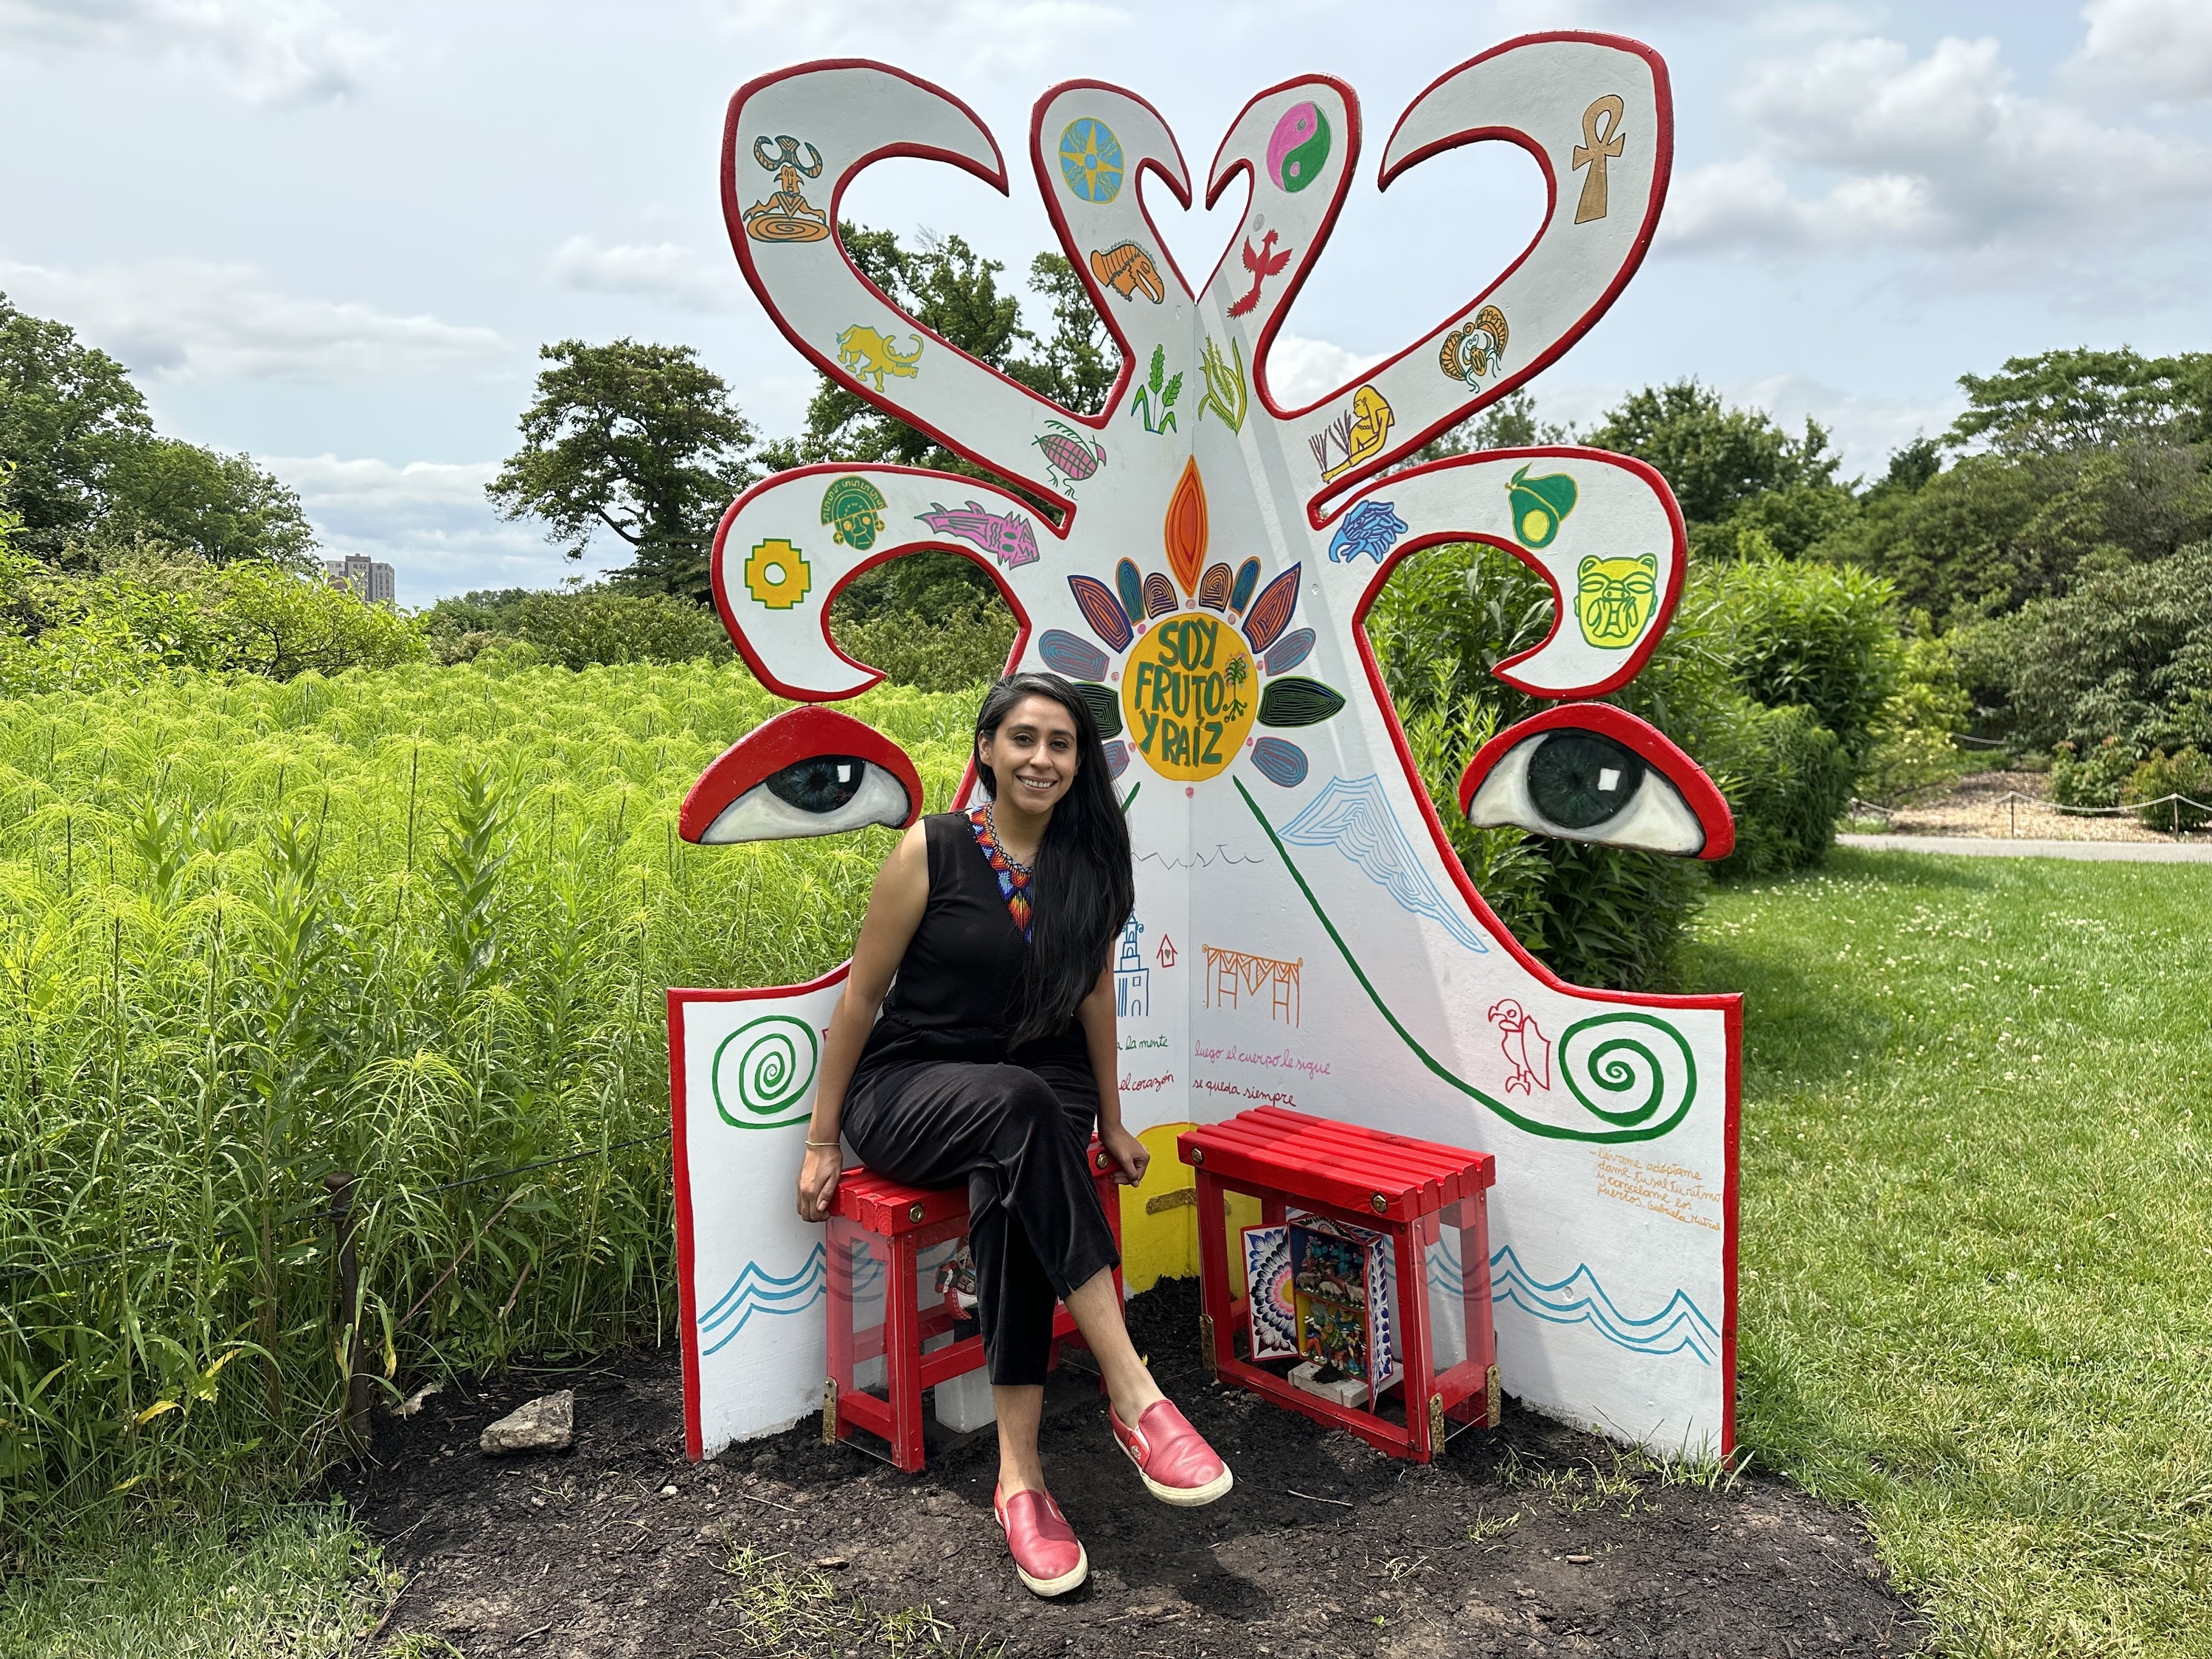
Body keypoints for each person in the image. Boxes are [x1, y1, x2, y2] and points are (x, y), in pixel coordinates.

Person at [795, 672, 1231, 1597]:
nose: (1042, 758)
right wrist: (822, 1138)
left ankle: (1020, 1482)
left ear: (1081, 763)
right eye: (1024, 739)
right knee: (1017, 1108)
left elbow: (1094, 995)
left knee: (1019, 1162)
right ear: (987, 749)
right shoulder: (934, 849)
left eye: (1062, 743)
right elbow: (862, 998)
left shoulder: (1092, 866)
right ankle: (1135, 1393)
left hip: (1044, 1093)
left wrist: (1114, 1118)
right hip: (914, 1086)